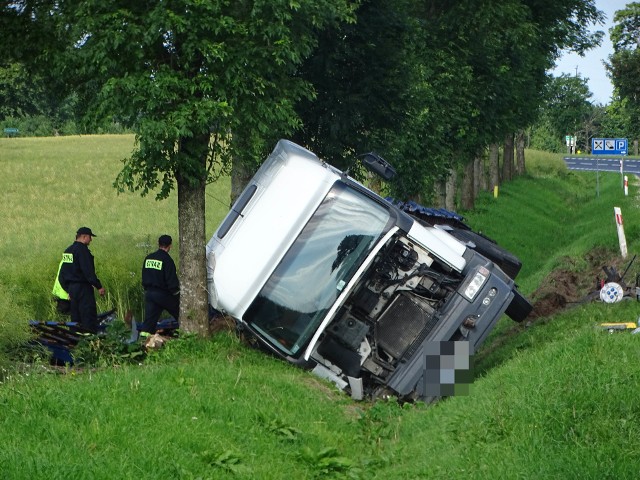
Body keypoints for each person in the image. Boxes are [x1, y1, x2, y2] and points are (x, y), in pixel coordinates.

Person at [58, 227, 106, 333]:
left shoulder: (68, 251)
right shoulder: (82, 251)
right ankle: (89, 340)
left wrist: (68, 290)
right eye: (90, 237)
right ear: (84, 237)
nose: (91, 240)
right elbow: (88, 272)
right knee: (88, 316)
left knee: (75, 317)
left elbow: (61, 274)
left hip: (71, 289)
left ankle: (75, 339)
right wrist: (99, 286)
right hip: (83, 288)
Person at [139, 234, 180, 336]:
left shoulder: (149, 258)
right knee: (180, 312)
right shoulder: (167, 260)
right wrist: (177, 294)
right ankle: (186, 334)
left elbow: (144, 276)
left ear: (158, 244)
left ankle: (144, 340)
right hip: (163, 294)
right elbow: (171, 282)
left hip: (149, 293)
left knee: (149, 320)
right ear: (170, 245)